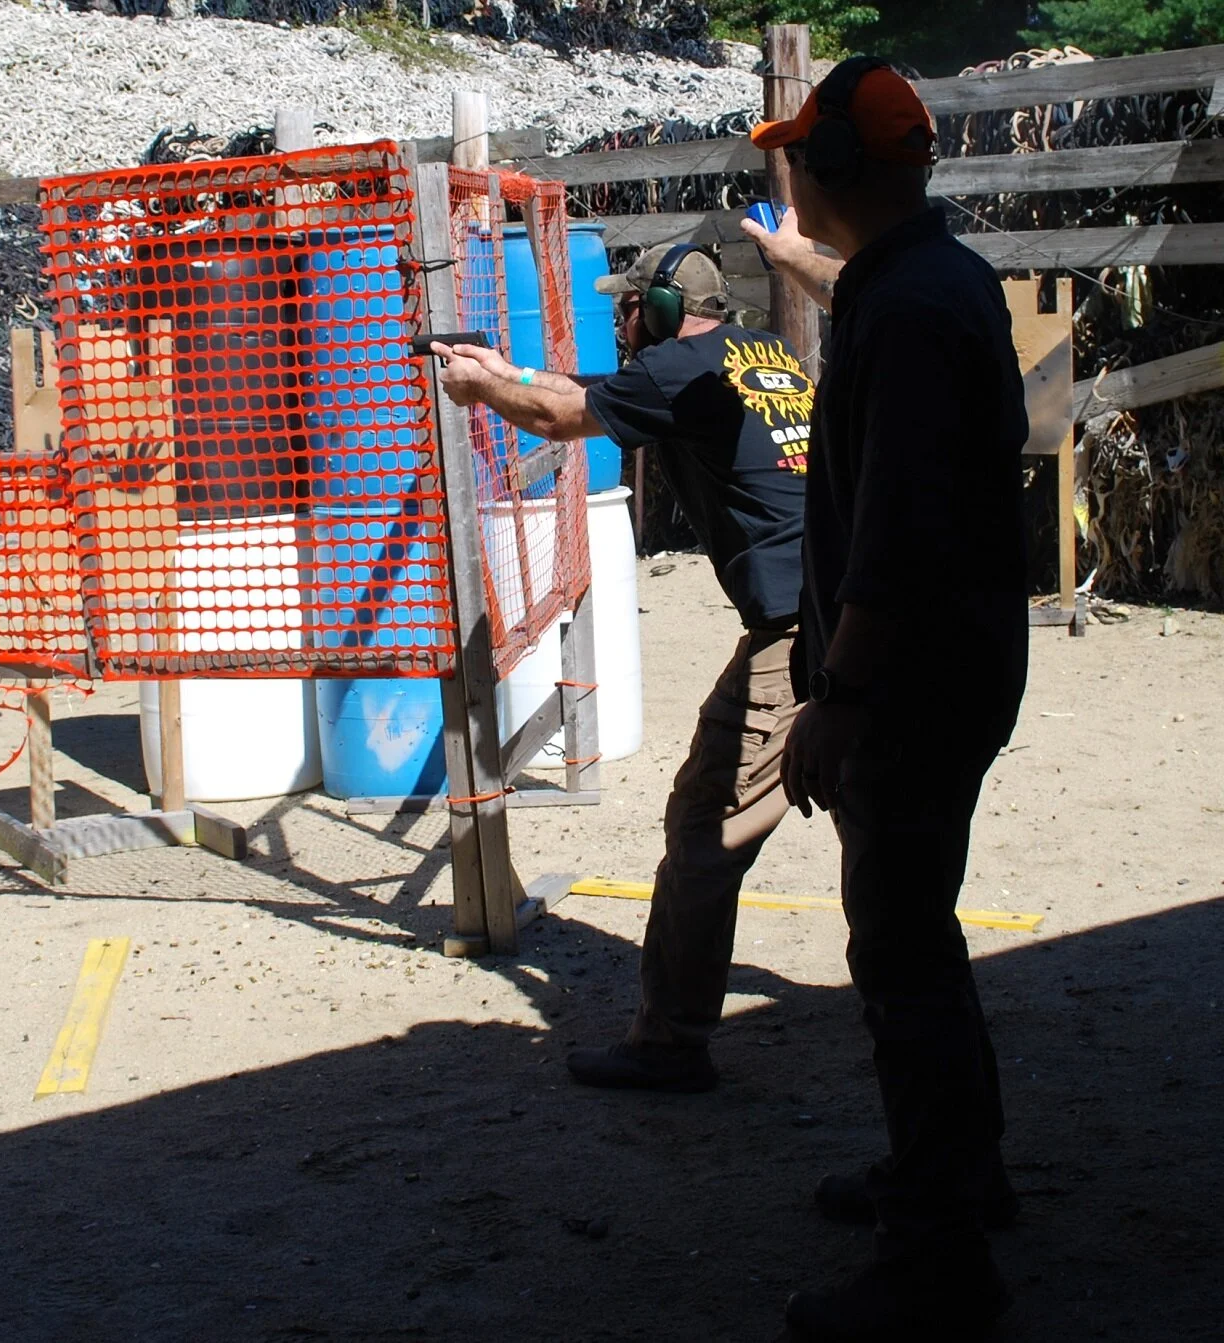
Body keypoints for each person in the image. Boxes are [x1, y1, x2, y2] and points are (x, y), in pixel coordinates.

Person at [746, 56, 1030, 1340]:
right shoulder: (918, 281)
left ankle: (938, 1260)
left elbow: (898, 535)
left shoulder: (907, 312)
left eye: (802, 151)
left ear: (842, 170)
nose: (788, 168)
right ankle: (953, 1177)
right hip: (945, 671)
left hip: (910, 686)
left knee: (899, 954)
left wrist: (838, 697)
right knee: (919, 938)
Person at [431, 242, 815, 1093]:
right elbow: (590, 395)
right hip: (846, 614)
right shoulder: (767, 353)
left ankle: (671, 1043)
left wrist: (481, 388)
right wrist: (506, 367)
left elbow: (561, 417)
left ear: (669, 313)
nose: (623, 319)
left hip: (799, 638)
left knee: (704, 829)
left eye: (633, 305)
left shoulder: (676, 365)